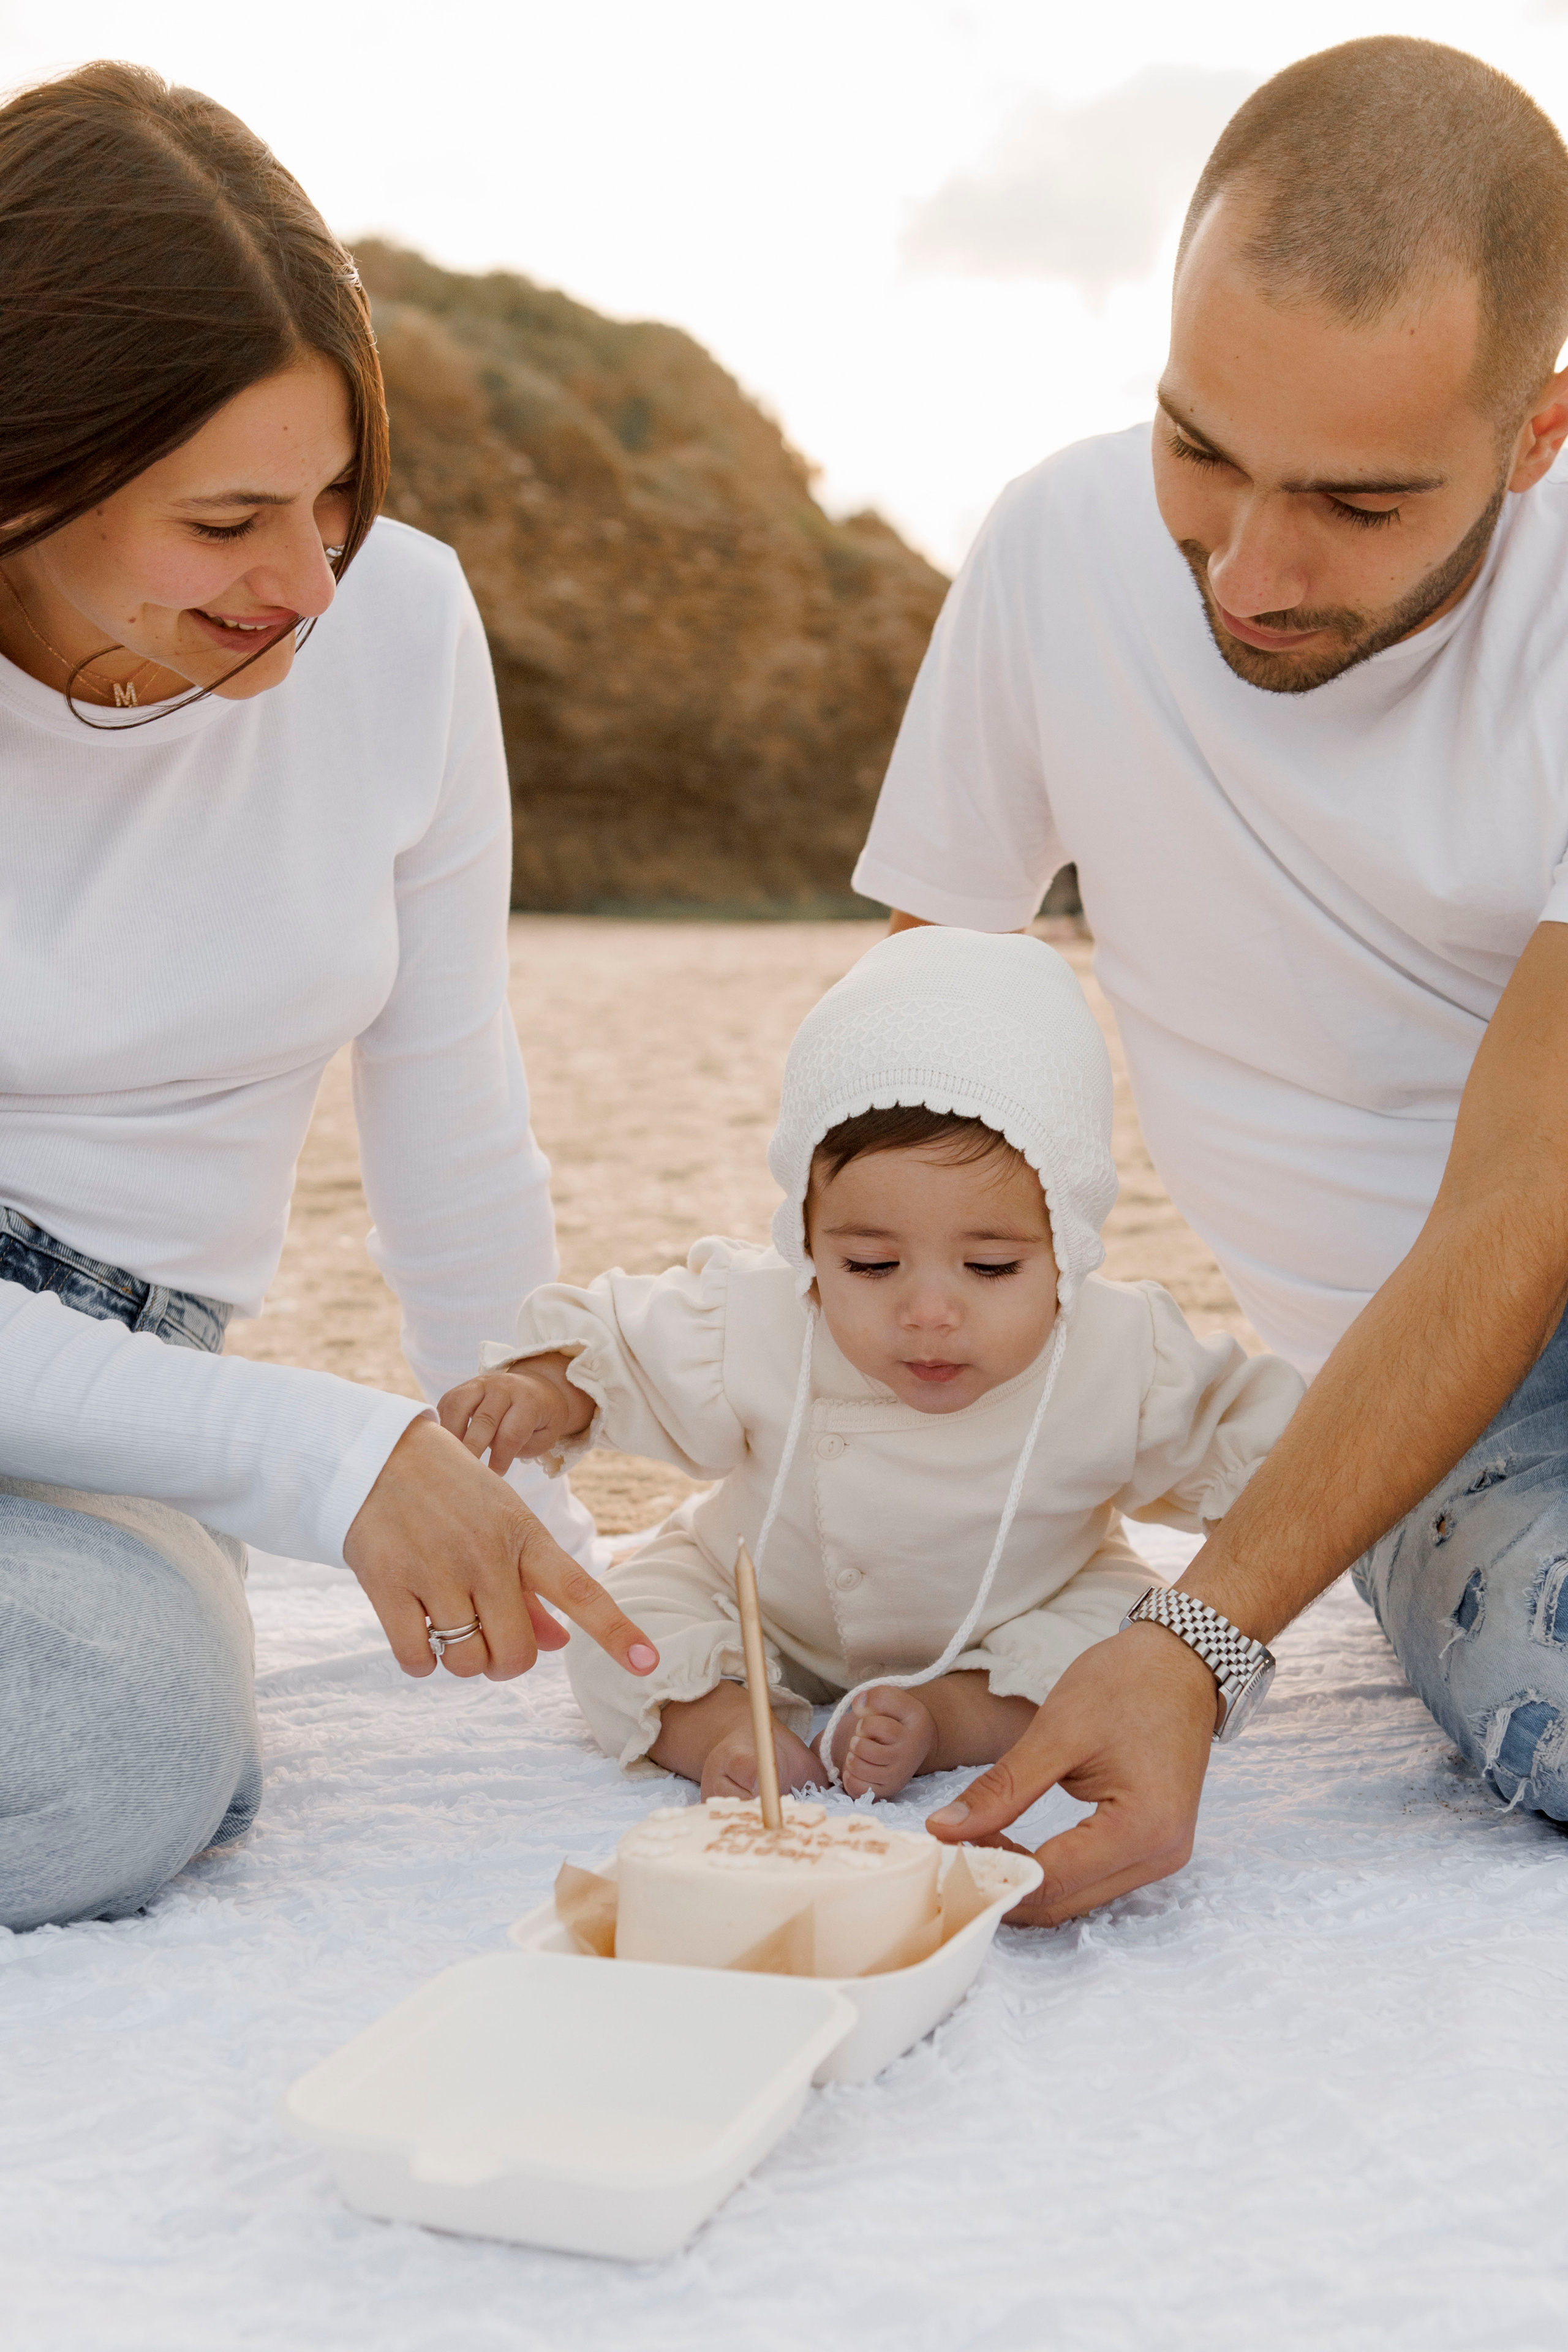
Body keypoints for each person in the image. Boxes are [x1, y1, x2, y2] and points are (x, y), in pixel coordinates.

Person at [848, 35, 1568, 1920]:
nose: (1248, 570)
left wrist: (1200, 1645)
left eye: (1358, 503)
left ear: (1538, 436)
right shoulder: (1057, 555)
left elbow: (1530, 1181)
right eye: (1200, 448)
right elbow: (928, 1068)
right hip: (1436, 1413)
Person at [0, 64, 657, 1936]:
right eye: (225, 525)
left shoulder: (408, 626)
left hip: (105, 1411)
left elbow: (448, 1084)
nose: (305, 583)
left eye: (341, 500)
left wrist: (551, 1539)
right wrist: (326, 1451)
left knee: (121, 1741)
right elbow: (313, 1450)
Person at [440, 928, 1302, 1798]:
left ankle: (952, 1719)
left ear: (1069, 1246)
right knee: (627, 1623)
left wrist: (1240, 1541)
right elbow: (623, 1347)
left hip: (1023, 1608)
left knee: (1120, 1637)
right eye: (871, 1266)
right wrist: (543, 1389)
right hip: (758, 1603)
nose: (928, 1312)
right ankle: (725, 1729)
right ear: (807, 1243)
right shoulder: (758, 1314)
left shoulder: (1122, 1351)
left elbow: (1266, 1454)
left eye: (992, 1268)